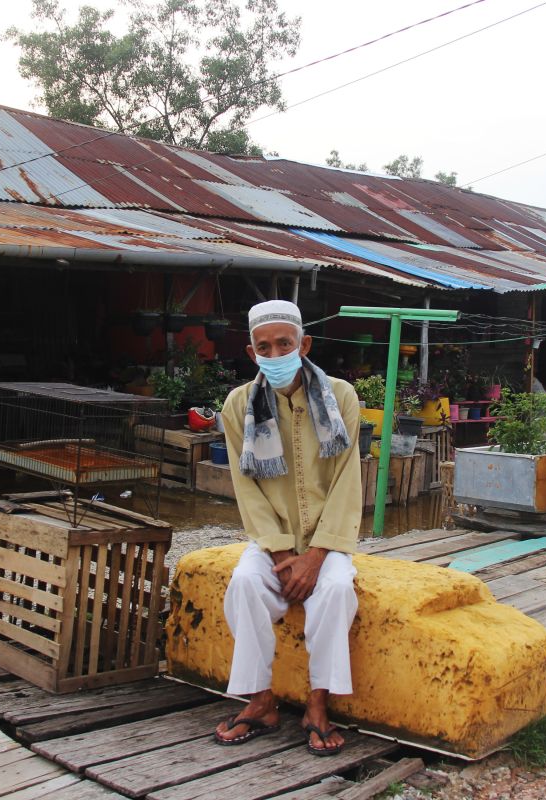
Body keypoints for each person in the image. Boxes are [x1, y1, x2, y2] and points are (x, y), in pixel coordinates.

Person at [213, 299, 363, 756]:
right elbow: (247, 488)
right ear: (251, 352)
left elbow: (347, 480)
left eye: (285, 344)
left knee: (337, 591)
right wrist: (280, 553)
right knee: (243, 583)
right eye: (265, 347)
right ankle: (260, 701)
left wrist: (317, 555)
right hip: (271, 542)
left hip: (327, 541)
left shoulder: (341, 397)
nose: (275, 355)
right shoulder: (239, 405)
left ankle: (318, 705)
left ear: (305, 344)